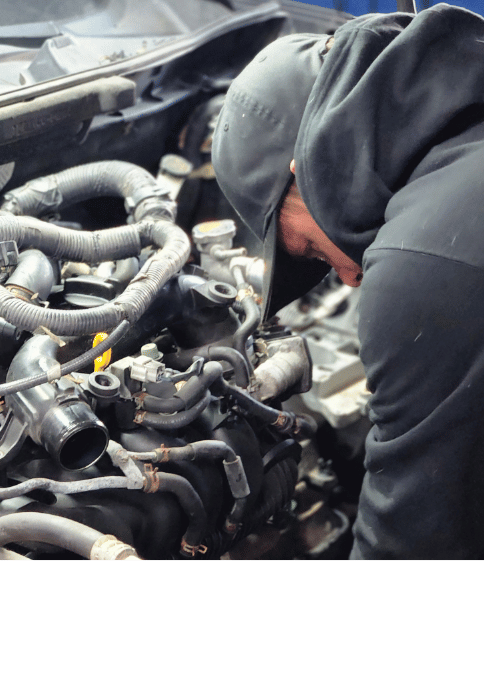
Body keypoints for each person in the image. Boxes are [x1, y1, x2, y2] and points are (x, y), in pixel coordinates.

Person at [211, 3, 484, 559]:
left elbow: (413, 552)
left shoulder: (427, 260)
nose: (350, 276)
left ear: (304, 168)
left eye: (311, 249)